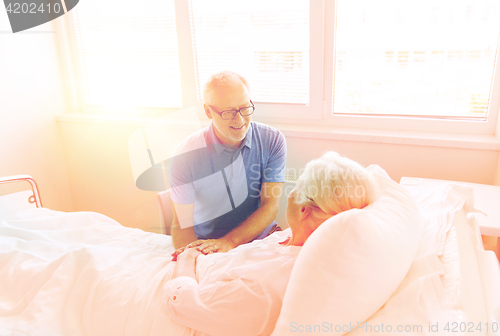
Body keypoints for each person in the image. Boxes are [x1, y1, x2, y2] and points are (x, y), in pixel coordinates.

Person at [165, 151, 378, 336]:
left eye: (295, 188)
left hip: (170, 299)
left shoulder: (264, 288)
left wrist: (188, 258)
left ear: (303, 210)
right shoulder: (293, 238)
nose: (290, 192)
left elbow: (183, 303)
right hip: (198, 267)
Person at [169, 71, 286, 255]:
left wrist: (229, 242)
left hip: (261, 237)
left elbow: (270, 205)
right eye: (228, 112)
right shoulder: (184, 156)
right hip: (208, 245)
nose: (239, 120)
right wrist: (192, 257)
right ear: (208, 111)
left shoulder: (273, 140)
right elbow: (182, 225)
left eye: (245, 108)